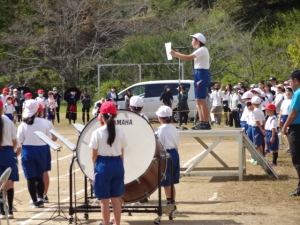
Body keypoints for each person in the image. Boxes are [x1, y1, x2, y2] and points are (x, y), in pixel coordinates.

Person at [89, 102, 127, 225]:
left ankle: (105, 223)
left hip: (103, 164)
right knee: (116, 199)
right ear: (116, 115)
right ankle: (117, 223)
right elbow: (122, 153)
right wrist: (122, 167)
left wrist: (95, 167)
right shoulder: (121, 132)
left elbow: (93, 154)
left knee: (104, 200)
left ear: (101, 115)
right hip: (117, 163)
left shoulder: (97, 132)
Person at [170, 32, 211, 130]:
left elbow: (188, 57)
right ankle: (202, 122)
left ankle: (206, 122)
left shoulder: (202, 49)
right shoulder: (200, 50)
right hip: (198, 73)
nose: (192, 42)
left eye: (193, 40)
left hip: (202, 73)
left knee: (202, 100)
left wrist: (175, 54)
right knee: (198, 100)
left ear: (198, 41)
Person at [17, 99, 52, 208]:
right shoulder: (45, 122)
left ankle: (34, 200)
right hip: (42, 150)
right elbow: (50, 138)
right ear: (38, 110)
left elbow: (19, 140)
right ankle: (40, 198)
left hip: (27, 150)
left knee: (30, 177)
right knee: (39, 176)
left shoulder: (22, 124)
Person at [155, 106, 180, 208]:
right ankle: (172, 201)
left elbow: (158, 145)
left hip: (165, 154)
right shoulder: (174, 128)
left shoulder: (159, 130)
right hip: (175, 153)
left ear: (160, 117)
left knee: (166, 181)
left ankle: (169, 201)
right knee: (172, 181)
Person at [282, 70, 300, 196]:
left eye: (290, 80)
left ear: (296, 81)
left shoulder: (298, 93)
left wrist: (285, 126)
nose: (290, 83)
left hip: (297, 128)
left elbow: (293, 113)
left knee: (297, 158)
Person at [0, 100, 19, 219]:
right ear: (3, 109)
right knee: (9, 181)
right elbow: (15, 142)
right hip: (8, 151)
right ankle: (10, 210)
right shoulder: (8, 121)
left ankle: (1, 211)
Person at [37, 103, 57, 203]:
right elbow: (54, 137)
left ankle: (37, 195)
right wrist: (47, 141)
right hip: (44, 148)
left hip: (30, 149)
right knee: (44, 172)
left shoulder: (26, 122)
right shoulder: (47, 122)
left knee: (34, 173)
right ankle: (44, 194)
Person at [278, 87, 293, 153]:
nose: (288, 92)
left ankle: (292, 146)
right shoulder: (284, 101)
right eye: (287, 91)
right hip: (284, 116)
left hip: (289, 116)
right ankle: (289, 146)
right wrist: (279, 119)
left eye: (289, 91)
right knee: (286, 133)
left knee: (290, 132)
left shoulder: (292, 100)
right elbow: (281, 111)